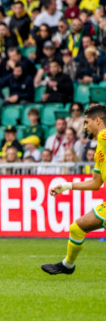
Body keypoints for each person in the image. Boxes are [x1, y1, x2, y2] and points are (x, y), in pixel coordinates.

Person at [42, 104, 106, 275]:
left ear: (97, 121)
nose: (85, 127)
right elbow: (96, 183)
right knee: (77, 228)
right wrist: (67, 186)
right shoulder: (100, 149)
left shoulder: (103, 136)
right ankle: (68, 265)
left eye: (87, 122)